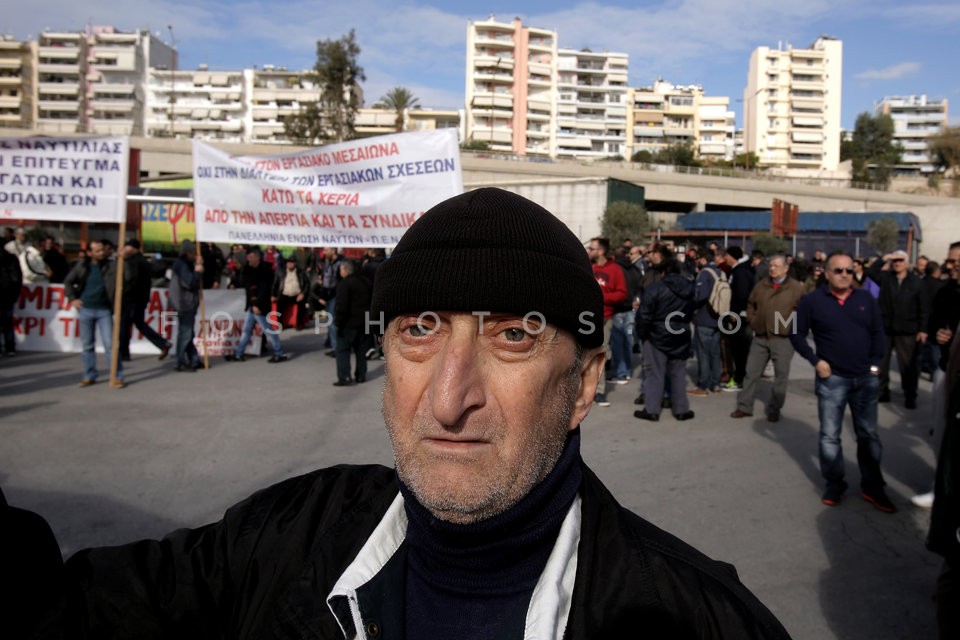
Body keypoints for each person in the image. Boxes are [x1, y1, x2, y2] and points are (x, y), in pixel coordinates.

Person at [5, 187, 788, 638]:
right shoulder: (280, 540)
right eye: (419, 331)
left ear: (583, 384)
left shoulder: (694, 623)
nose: (449, 400)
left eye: (513, 336)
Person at [789, 251, 893, 512]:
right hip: (832, 379)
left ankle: (873, 486)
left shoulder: (865, 299)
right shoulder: (812, 301)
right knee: (830, 436)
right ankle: (835, 483)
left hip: (865, 379)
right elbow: (797, 334)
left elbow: (878, 333)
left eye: (849, 270)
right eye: (839, 270)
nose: (845, 275)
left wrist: (873, 365)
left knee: (868, 435)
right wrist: (815, 361)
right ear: (826, 273)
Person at [731, 254, 805, 422]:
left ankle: (774, 408)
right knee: (751, 372)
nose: (772, 269)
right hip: (761, 336)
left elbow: (804, 311)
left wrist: (794, 328)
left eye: (776, 266)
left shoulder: (795, 288)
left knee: (780, 376)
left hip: (783, 338)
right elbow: (751, 304)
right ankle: (744, 406)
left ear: (786, 268)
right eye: (771, 265)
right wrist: (753, 320)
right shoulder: (761, 285)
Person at [633, 257, 697, 422]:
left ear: (662, 272)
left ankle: (652, 410)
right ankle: (681, 409)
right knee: (678, 373)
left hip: (657, 333)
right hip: (680, 332)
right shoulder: (690, 288)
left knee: (654, 373)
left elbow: (645, 315)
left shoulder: (655, 288)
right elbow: (692, 310)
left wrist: (642, 333)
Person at [869, 249, 929, 409]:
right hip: (886, 328)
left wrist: (923, 329)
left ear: (908, 263)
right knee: (881, 364)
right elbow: (871, 272)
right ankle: (882, 392)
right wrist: (884, 257)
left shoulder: (916, 282)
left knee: (907, 366)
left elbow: (924, 307)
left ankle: (910, 395)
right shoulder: (887, 278)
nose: (897, 263)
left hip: (907, 330)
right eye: (895, 261)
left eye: (900, 260)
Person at [63, 241, 125, 387]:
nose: (101, 253)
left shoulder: (111, 265)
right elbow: (68, 282)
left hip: (104, 310)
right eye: (97, 251)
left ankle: (116, 376)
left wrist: (122, 259)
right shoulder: (82, 266)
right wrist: (73, 299)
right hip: (86, 309)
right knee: (87, 345)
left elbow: (124, 274)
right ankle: (89, 375)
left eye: (102, 250)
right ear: (90, 253)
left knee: (110, 345)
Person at [225, 247, 288, 363]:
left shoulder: (265, 271)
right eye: (247, 256)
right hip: (253, 305)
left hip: (260, 305)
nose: (248, 259)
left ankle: (280, 352)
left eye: (251, 256)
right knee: (247, 329)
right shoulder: (249, 269)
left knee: (267, 329)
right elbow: (246, 284)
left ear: (257, 257)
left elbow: (264, 290)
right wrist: (234, 284)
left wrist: (256, 304)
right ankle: (239, 353)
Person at [587, 237, 626, 407]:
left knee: (599, 353)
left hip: (605, 317)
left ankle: (600, 391)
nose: (589, 251)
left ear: (601, 251)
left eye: (593, 248)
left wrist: (601, 297)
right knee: (582, 354)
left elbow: (622, 293)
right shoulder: (587, 266)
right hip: (585, 317)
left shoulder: (615, 270)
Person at [119, 239, 172, 362]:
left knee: (125, 326)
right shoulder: (143, 261)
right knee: (138, 324)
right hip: (140, 298)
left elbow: (130, 278)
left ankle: (124, 353)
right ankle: (162, 343)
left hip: (131, 298)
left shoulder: (133, 261)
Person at [689, 248, 724, 396]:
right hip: (719, 317)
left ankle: (703, 386)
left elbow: (700, 296)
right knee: (715, 353)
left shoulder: (705, 273)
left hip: (704, 318)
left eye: (697, 259)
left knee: (703, 353)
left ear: (703, 259)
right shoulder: (720, 272)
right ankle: (716, 384)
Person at [332, 259, 372, 385]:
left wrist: (338, 322)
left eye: (341, 269)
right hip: (364, 322)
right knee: (361, 350)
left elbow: (341, 306)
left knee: (343, 350)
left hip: (349, 324)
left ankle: (345, 377)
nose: (340, 272)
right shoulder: (366, 282)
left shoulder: (345, 284)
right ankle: (361, 375)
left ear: (345, 270)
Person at [722, 245, 755, 392]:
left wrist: (734, 313)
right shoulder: (740, 270)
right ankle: (740, 378)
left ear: (732, 256)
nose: (724, 259)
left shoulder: (740, 272)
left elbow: (741, 295)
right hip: (740, 315)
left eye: (726, 256)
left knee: (739, 349)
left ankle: (739, 379)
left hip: (739, 317)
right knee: (740, 349)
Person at [168, 240, 204, 372]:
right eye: (193, 253)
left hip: (184, 302)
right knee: (185, 333)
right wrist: (198, 271)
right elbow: (190, 283)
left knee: (188, 332)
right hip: (184, 303)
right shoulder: (182, 265)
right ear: (188, 253)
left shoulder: (183, 264)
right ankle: (179, 361)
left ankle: (193, 359)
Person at [271, 258, 310, 330]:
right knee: (280, 305)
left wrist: (303, 294)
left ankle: (299, 324)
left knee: (302, 305)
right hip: (285, 293)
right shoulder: (281, 272)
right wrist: (273, 295)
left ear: (295, 263)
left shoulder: (301, 272)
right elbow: (275, 284)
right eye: (288, 262)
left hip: (297, 294)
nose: (289, 264)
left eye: (291, 262)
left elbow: (307, 284)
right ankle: (280, 324)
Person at [0, 244, 22, 356]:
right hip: (9, 295)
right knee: (8, 322)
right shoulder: (12, 258)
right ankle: (10, 348)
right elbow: (18, 278)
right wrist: (15, 295)